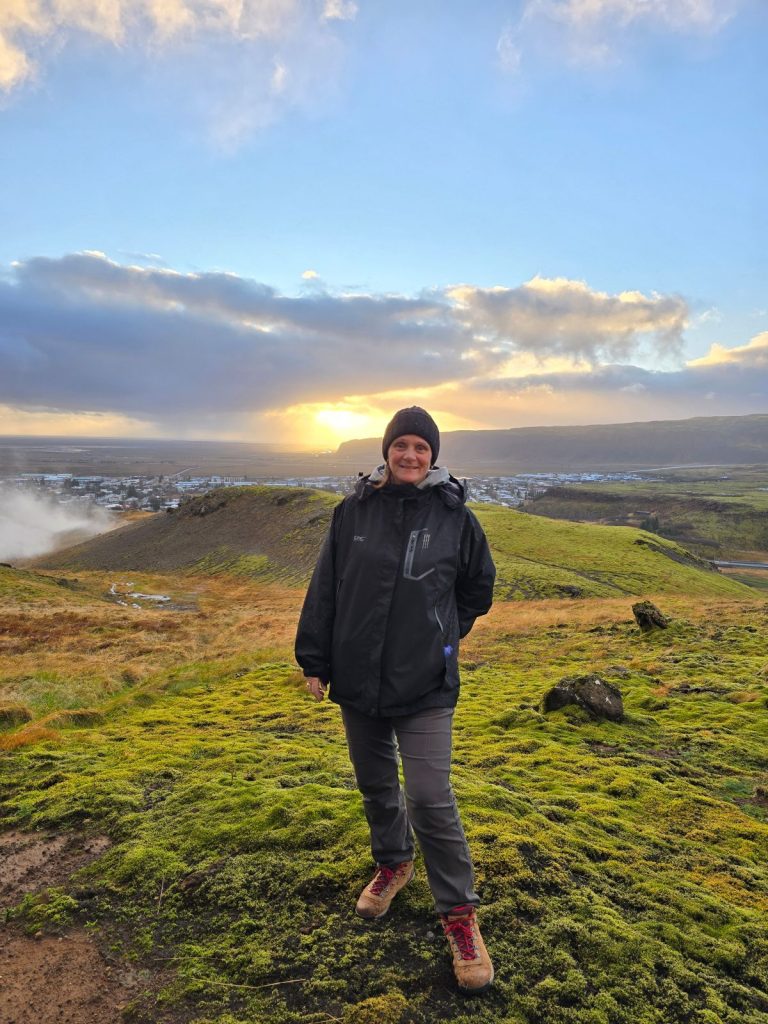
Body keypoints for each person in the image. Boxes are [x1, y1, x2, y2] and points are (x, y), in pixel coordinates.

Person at [295, 406, 496, 995]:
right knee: (376, 783)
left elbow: (478, 588)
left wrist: (442, 635)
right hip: (357, 675)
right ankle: (394, 863)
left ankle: (459, 915)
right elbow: (325, 588)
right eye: (401, 445)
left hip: (425, 682)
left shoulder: (455, 517)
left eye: (421, 448)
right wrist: (315, 660)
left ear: (433, 457)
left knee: (430, 796)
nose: (410, 455)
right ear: (387, 451)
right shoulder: (352, 512)